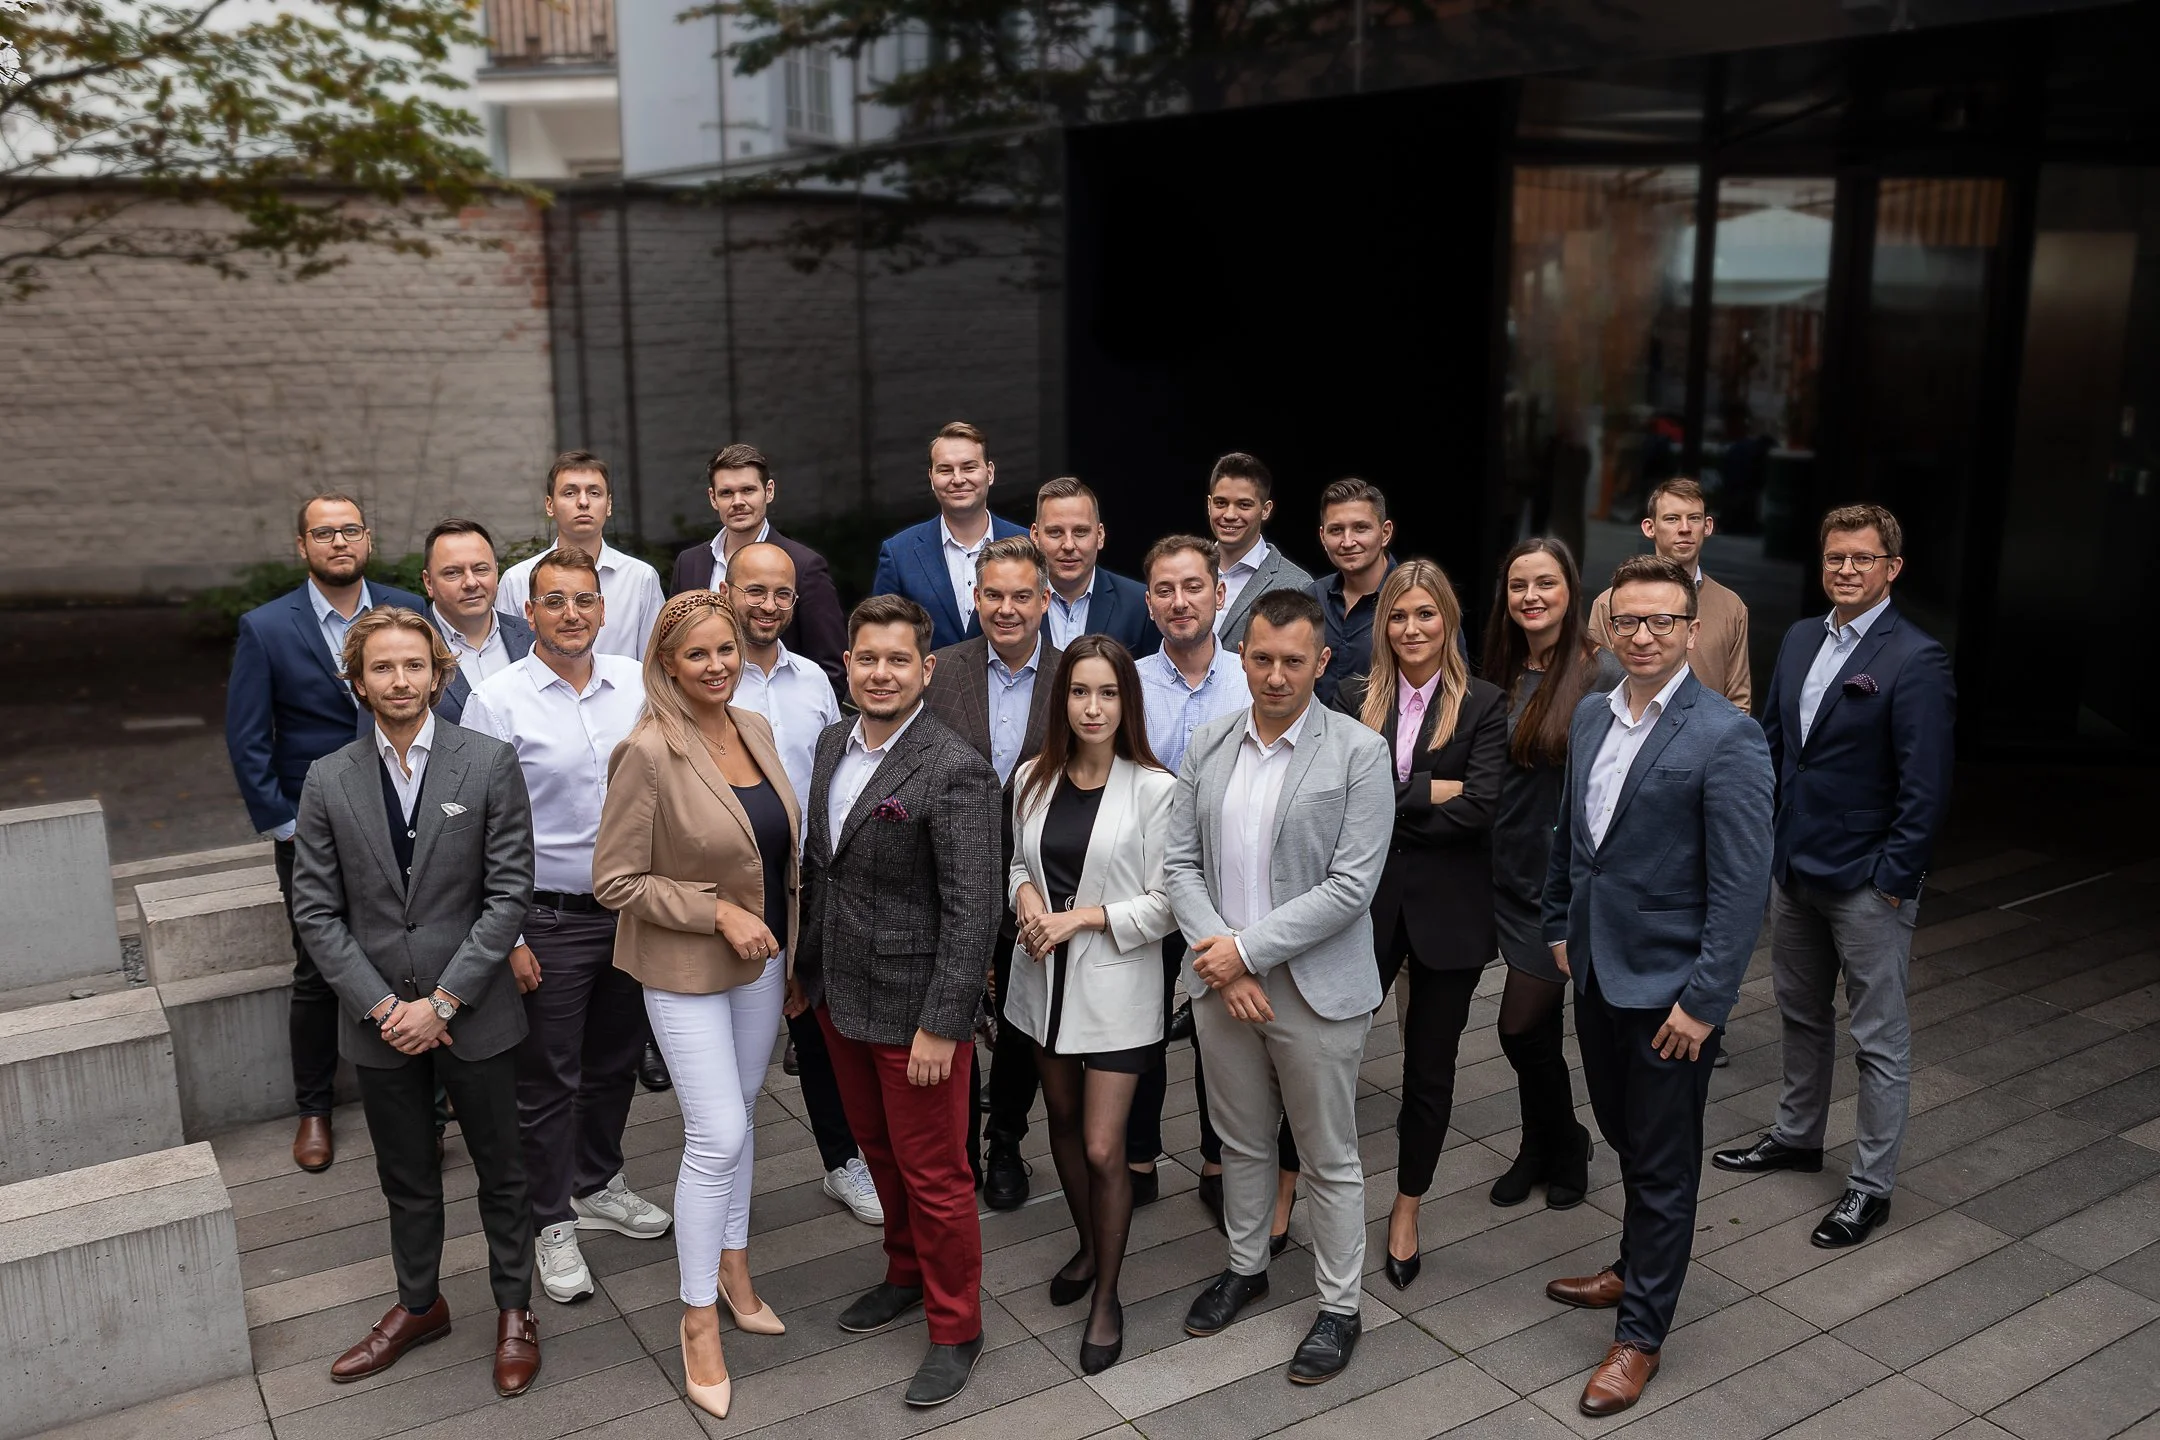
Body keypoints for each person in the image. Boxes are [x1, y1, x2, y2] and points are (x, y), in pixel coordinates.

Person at [285, 607, 540, 1398]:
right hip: (379, 1023)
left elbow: (507, 896)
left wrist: (445, 1000)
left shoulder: (489, 762)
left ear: (440, 672)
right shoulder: (328, 778)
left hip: (474, 1009)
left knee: (502, 1169)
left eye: (414, 666)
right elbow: (316, 912)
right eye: (383, 669)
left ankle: (514, 1309)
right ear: (357, 682)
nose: (400, 681)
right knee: (405, 1176)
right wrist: (380, 1006)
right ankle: (419, 1304)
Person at [1540, 555, 1773, 1418]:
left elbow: (1744, 885)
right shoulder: (1596, 717)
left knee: (1666, 1163)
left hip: (1673, 994)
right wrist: (1559, 923)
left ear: (1689, 630)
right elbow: (1574, 836)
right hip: (1598, 975)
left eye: (1661, 623)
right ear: (1607, 626)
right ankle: (1635, 1265)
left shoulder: (1726, 736)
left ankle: (1640, 1336)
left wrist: (1705, 1001)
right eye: (1628, 622)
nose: (1642, 636)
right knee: (1626, 1139)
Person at [1713, 504, 1954, 1249]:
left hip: (1866, 883)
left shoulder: (1916, 658)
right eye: (1835, 558)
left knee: (1879, 1038)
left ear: (1893, 569)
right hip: (1794, 868)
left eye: (1861, 558)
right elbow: (1777, 750)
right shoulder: (1796, 639)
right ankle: (1796, 1135)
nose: (1846, 569)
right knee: (1799, 1011)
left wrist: (1894, 876)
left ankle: (1870, 1187)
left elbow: (1927, 784)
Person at [1168, 589, 1392, 1386]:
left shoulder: (1360, 753)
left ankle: (1339, 1307)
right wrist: (1222, 958)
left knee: (1328, 1156)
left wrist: (1244, 954)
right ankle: (1245, 1264)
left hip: (1311, 989)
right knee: (1240, 1141)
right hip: (1220, 984)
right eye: (1260, 658)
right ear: (1243, 656)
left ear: (1322, 661)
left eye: (1292, 661)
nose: (1273, 675)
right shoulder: (1211, 739)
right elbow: (1178, 864)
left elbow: (1350, 887)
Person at [592, 590, 800, 1419]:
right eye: (697, 655)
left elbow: (780, 848)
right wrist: (715, 910)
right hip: (684, 967)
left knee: (742, 1117)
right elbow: (615, 880)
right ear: (666, 665)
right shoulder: (647, 751)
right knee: (714, 1132)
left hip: (764, 964)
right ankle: (696, 1316)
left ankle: (736, 1266)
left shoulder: (757, 729)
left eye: (726, 650)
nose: (717, 666)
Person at [796, 595, 1003, 1408]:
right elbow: (825, 871)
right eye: (866, 658)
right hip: (839, 998)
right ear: (846, 664)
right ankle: (905, 1273)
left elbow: (973, 910)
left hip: (917, 1015)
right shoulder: (825, 747)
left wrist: (941, 1026)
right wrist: (802, 978)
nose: (880, 672)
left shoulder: (956, 768)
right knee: (879, 1157)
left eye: (897, 660)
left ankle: (958, 1327)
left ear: (925, 669)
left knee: (937, 1174)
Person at [460, 548, 671, 1307]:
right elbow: (477, 831)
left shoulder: (635, 690)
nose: (572, 613)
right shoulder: (497, 699)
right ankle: (551, 1220)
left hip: (631, 912)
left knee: (615, 1061)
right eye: (555, 601)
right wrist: (509, 936)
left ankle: (597, 1181)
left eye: (584, 600)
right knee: (548, 1079)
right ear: (529, 611)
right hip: (547, 919)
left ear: (604, 609)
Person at [224, 493, 428, 1172]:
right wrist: (286, 827)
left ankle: (428, 1100)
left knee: (414, 948)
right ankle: (314, 1108)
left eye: (349, 530)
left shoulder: (406, 608)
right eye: (323, 533)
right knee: (316, 969)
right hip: (317, 828)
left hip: (408, 810)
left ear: (367, 538)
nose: (338, 542)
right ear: (302, 545)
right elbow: (249, 738)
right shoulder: (266, 627)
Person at [1329, 560, 1506, 1291]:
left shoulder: (1486, 705)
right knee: (1325, 1055)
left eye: (1426, 615)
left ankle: (1406, 1207)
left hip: (1448, 914)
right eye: (1399, 616)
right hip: (1359, 909)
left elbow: (1483, 806)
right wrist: (1431, 789)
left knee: (1428, 1071)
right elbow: (1335, 802)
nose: (1411, 628)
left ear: (1448, 622)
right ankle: (1284, 1189)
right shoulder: (1349, 696)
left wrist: (1388, 802)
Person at [1005, 636, 1178, 1374]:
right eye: (1081, 692)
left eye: (1108, 693)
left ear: (1126, 702)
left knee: (1107, 1146)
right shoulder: (1031, 779)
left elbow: (1169, 904)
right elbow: (1018, 860)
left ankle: (1108, 1293)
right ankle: (1085, 1245)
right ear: (1062, 701)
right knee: (1065, 1126)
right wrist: (1027, 904)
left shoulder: (1156, 789)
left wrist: (1080, 917)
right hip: (1044, 985)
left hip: (1116, 988)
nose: (1094, 707)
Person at [1124, 536, 1288, 1229]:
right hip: (1140, 878)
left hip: (1225, 885)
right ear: (1150, 601)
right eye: (1164, 589)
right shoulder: (1127, 679)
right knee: (1138, 1020)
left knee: (1218, 1022)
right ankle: (1137, 1155)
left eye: (1193, 586)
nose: (1179, 600)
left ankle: (1219, 1158)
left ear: (1222, 595)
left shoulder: (1247, 678)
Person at [721, 542, 883, 1227]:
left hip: (806, 882)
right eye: (754, 590)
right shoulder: (704, 674)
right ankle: (722, 1174)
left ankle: (842, 1160)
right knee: (726, 1046)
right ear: (727, 591)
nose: (767, 605)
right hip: (726, 886)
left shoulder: (815, 682)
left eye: (781, 594)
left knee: (816, 1026)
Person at [919, 535, 1062, 1210]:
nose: (1008, 609)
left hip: (1033, 882)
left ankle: (1005, 1139)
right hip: (943, 878)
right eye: (994, 595)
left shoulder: (1075, 677)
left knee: (1019, 1025)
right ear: (975, 599)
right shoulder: (938, 671)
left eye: (1022, 597)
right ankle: (955, 1146)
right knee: (947, 1011)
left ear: (1045, 601)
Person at [1478, 538, 1619, 1210]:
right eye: (1517, 586)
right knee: (1534, 1031)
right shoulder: (1500, 668)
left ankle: (1562, 1140)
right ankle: (1546, 1143)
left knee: (1517, 1026)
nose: (1530, 597)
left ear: (1572, 590)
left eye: (1545, 584)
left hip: (1559, 886)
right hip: (1503, 874)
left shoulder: (1603, 675)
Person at [670, 442, 847, 694]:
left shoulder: (803, 564)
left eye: (748, 490)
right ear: (713, 498)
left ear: (769, 491)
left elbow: (831, 669)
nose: (738, 501)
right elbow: (676, 647)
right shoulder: (689, 563)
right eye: (727, 493)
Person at [1588, 478, 1751, 711]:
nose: (1685, 528)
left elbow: (1738, 701)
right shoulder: (1610, 604)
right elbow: (1597, 692)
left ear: (1707, 526)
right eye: (1672, 518)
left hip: (1706, 742)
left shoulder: (1731, 606)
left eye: (1694, 518)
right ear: (1649, 527)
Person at [871, 421, 1028, 651]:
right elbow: (880, 638)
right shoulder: (899, 554)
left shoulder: (1029, 545)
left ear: (990, 473)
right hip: (930, 686)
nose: (957, 479)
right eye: (945, 470)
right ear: (931, 478)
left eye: (969, 467)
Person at [497, 451, 665, 661]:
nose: (583, 502)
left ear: (609, 505)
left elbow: (652, 666)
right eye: (570, 493)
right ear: (550, 505)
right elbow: (509, 664)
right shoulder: (517, 580)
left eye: (594, 493)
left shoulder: (640, 578)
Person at [419, 518, 534, 724]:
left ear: (496, 571)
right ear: (429, 582)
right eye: (453, 572)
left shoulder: (533, 637)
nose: (471, 582)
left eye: (481, 569)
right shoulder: (407, 648)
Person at [1031, 476, 1157, 656]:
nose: (1068, 545)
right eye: (1055, 532)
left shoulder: (1139, 605)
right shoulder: (1011, 601)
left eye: (1080, 532)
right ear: (1035, 536)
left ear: (1100, 536)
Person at [1208, 452, 1313, 649]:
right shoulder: (1185, 571)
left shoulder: (1297, 585)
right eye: (1221, 503)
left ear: (1266, 510)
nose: (1230, 514)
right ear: (1209, 504)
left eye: (1244, 505)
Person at [1310, 478, 1397, 708]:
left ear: (1385, 532)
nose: (1348, 542)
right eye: (1336, 530)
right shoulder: (1312, 597)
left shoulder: (1416, 598)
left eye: (1360, 528)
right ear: (1322, 537)